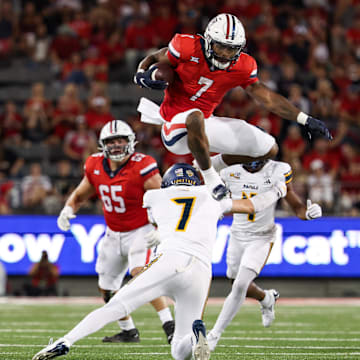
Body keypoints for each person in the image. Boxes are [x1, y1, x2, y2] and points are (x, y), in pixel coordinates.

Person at [32, 163, 288, 360]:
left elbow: (162, 220)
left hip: (168, 259)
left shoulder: (153, 197)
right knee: (179, 351)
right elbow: (252, 206)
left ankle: (65, 341)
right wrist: (277, 190)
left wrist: (159, 232)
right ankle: (197, 334)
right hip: (200, 270)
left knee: (115, 306)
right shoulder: (212, 196)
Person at [134, 13, 332, 202]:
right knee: (195, 117)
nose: (225, 54)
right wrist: (141, 72)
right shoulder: (187, 46)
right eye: (221, 47)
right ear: (208, 40)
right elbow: (155, 57)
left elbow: (268, 98)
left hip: (203, 124)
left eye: (232, 49)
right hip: (173, 124)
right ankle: (211, 179)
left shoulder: (243, 66)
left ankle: (206, 167)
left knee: (268, 148)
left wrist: (305, 119)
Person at [56, 119, 175, 344]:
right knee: (107, 287)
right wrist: (68, 208)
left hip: (141, 230)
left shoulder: (143, 165)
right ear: (102, 144)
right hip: (113, 232)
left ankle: (169, 324)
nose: (117, 145)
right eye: (111, 141)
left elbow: (163, 200)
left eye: (121, 140)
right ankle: (128, 331)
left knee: (141, 272)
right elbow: (81, 194)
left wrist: (162, 227)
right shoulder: (94, 165)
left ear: (131, 142)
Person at [206, 159, 322, 351]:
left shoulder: (278, 170)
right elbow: (216, 200)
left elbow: (293, 202)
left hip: (262, 236)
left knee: (240, 285)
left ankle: (214, 335)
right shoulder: (229, 172)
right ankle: (266, 298)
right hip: (237, 234)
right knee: (235, 283)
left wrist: (307, 213)